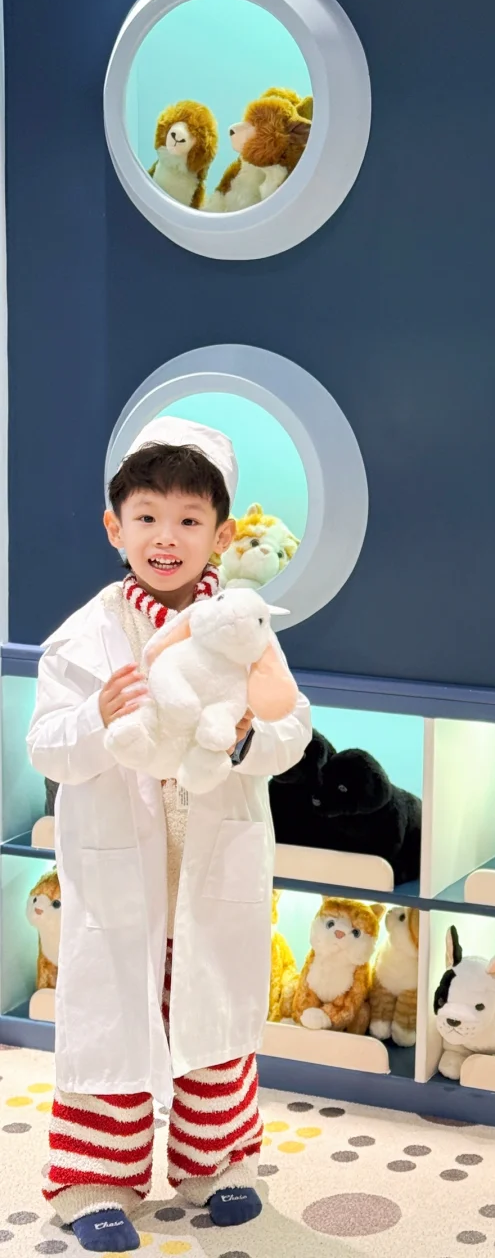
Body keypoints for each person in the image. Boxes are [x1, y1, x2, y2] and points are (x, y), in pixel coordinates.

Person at [27, 416, 312, 1253]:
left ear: (222, 534)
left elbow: (292, 723)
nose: (167, 537)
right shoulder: (85, 637)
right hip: (122, 871)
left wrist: (250, 741)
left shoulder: (245, 628)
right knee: (113, 1016)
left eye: (190, 519)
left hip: (211, 863)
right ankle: (94, 1179)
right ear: (114, 528)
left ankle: (217, 1162)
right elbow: (46, 745)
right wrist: (96, 714)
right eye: (147, 517)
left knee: (213, 1012)